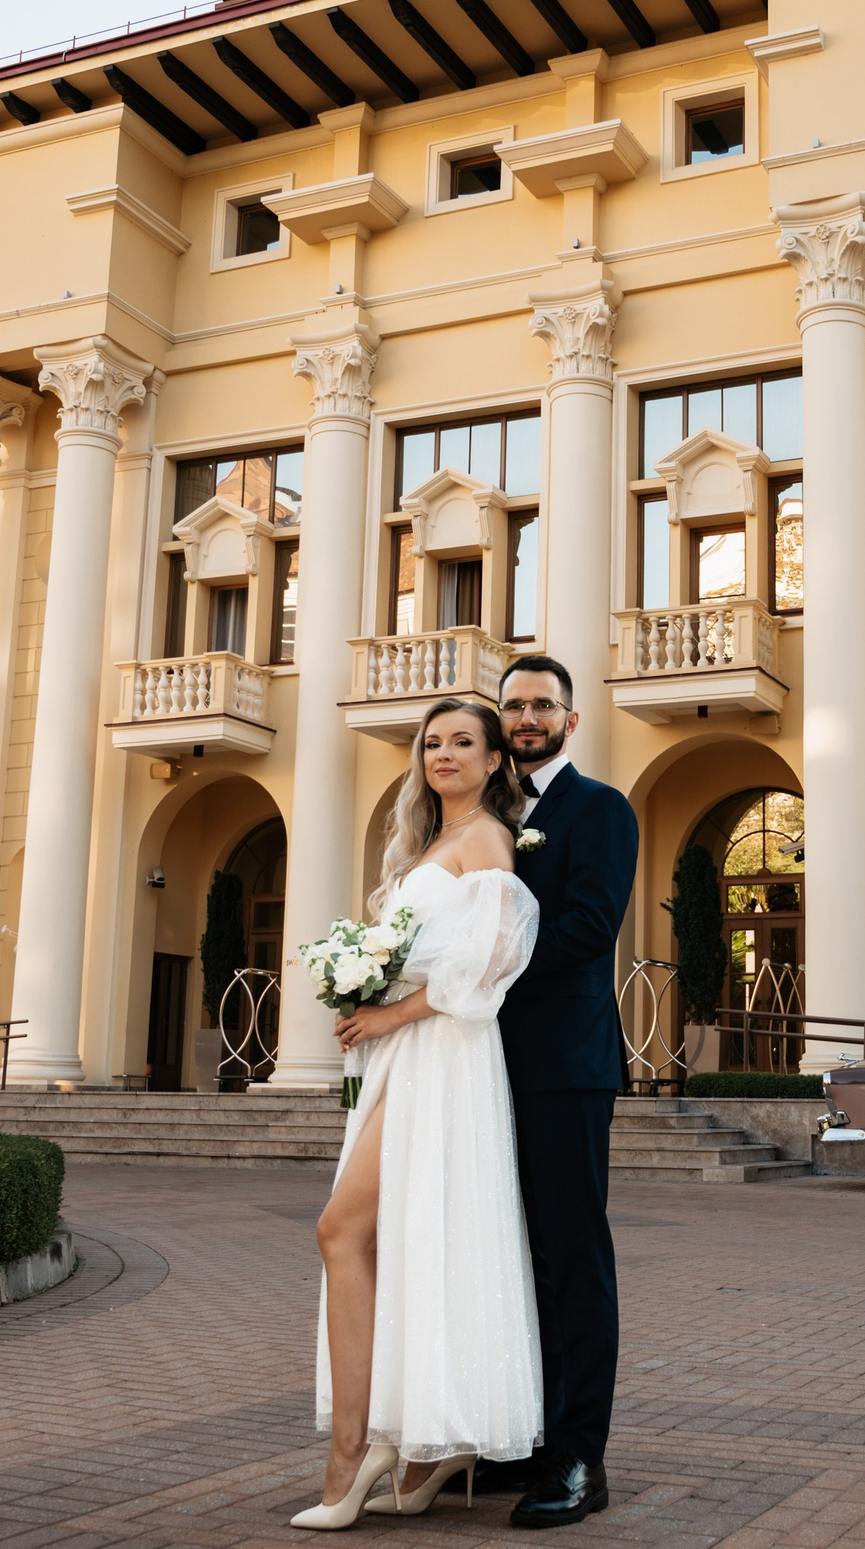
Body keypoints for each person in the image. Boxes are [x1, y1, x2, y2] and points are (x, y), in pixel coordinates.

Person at [296, 697, 544, 1530]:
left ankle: (355, 1448)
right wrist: (363, 992)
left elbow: (497, 960)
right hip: (404, 1049)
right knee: (393, 1238)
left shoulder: (485, 838)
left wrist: (389, 1012)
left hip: (441, 1056)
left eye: (462, 742)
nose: (444, 754)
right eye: (432, 742)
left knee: (342, 1229)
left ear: (493, 760)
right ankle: (423, 1447)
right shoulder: (425, 843)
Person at [481, 653, 640, 1529]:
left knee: (573, 1259)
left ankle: (581, 1453)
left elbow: (588, 926)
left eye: (543, 703)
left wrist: (475, 971)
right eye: (515, 704)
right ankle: (526, 1435)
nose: (528, 716)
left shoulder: (600, 809)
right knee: (510, 1255)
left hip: (564, 1066)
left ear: (569, 721)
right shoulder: (485, 812)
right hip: (480, 1065)